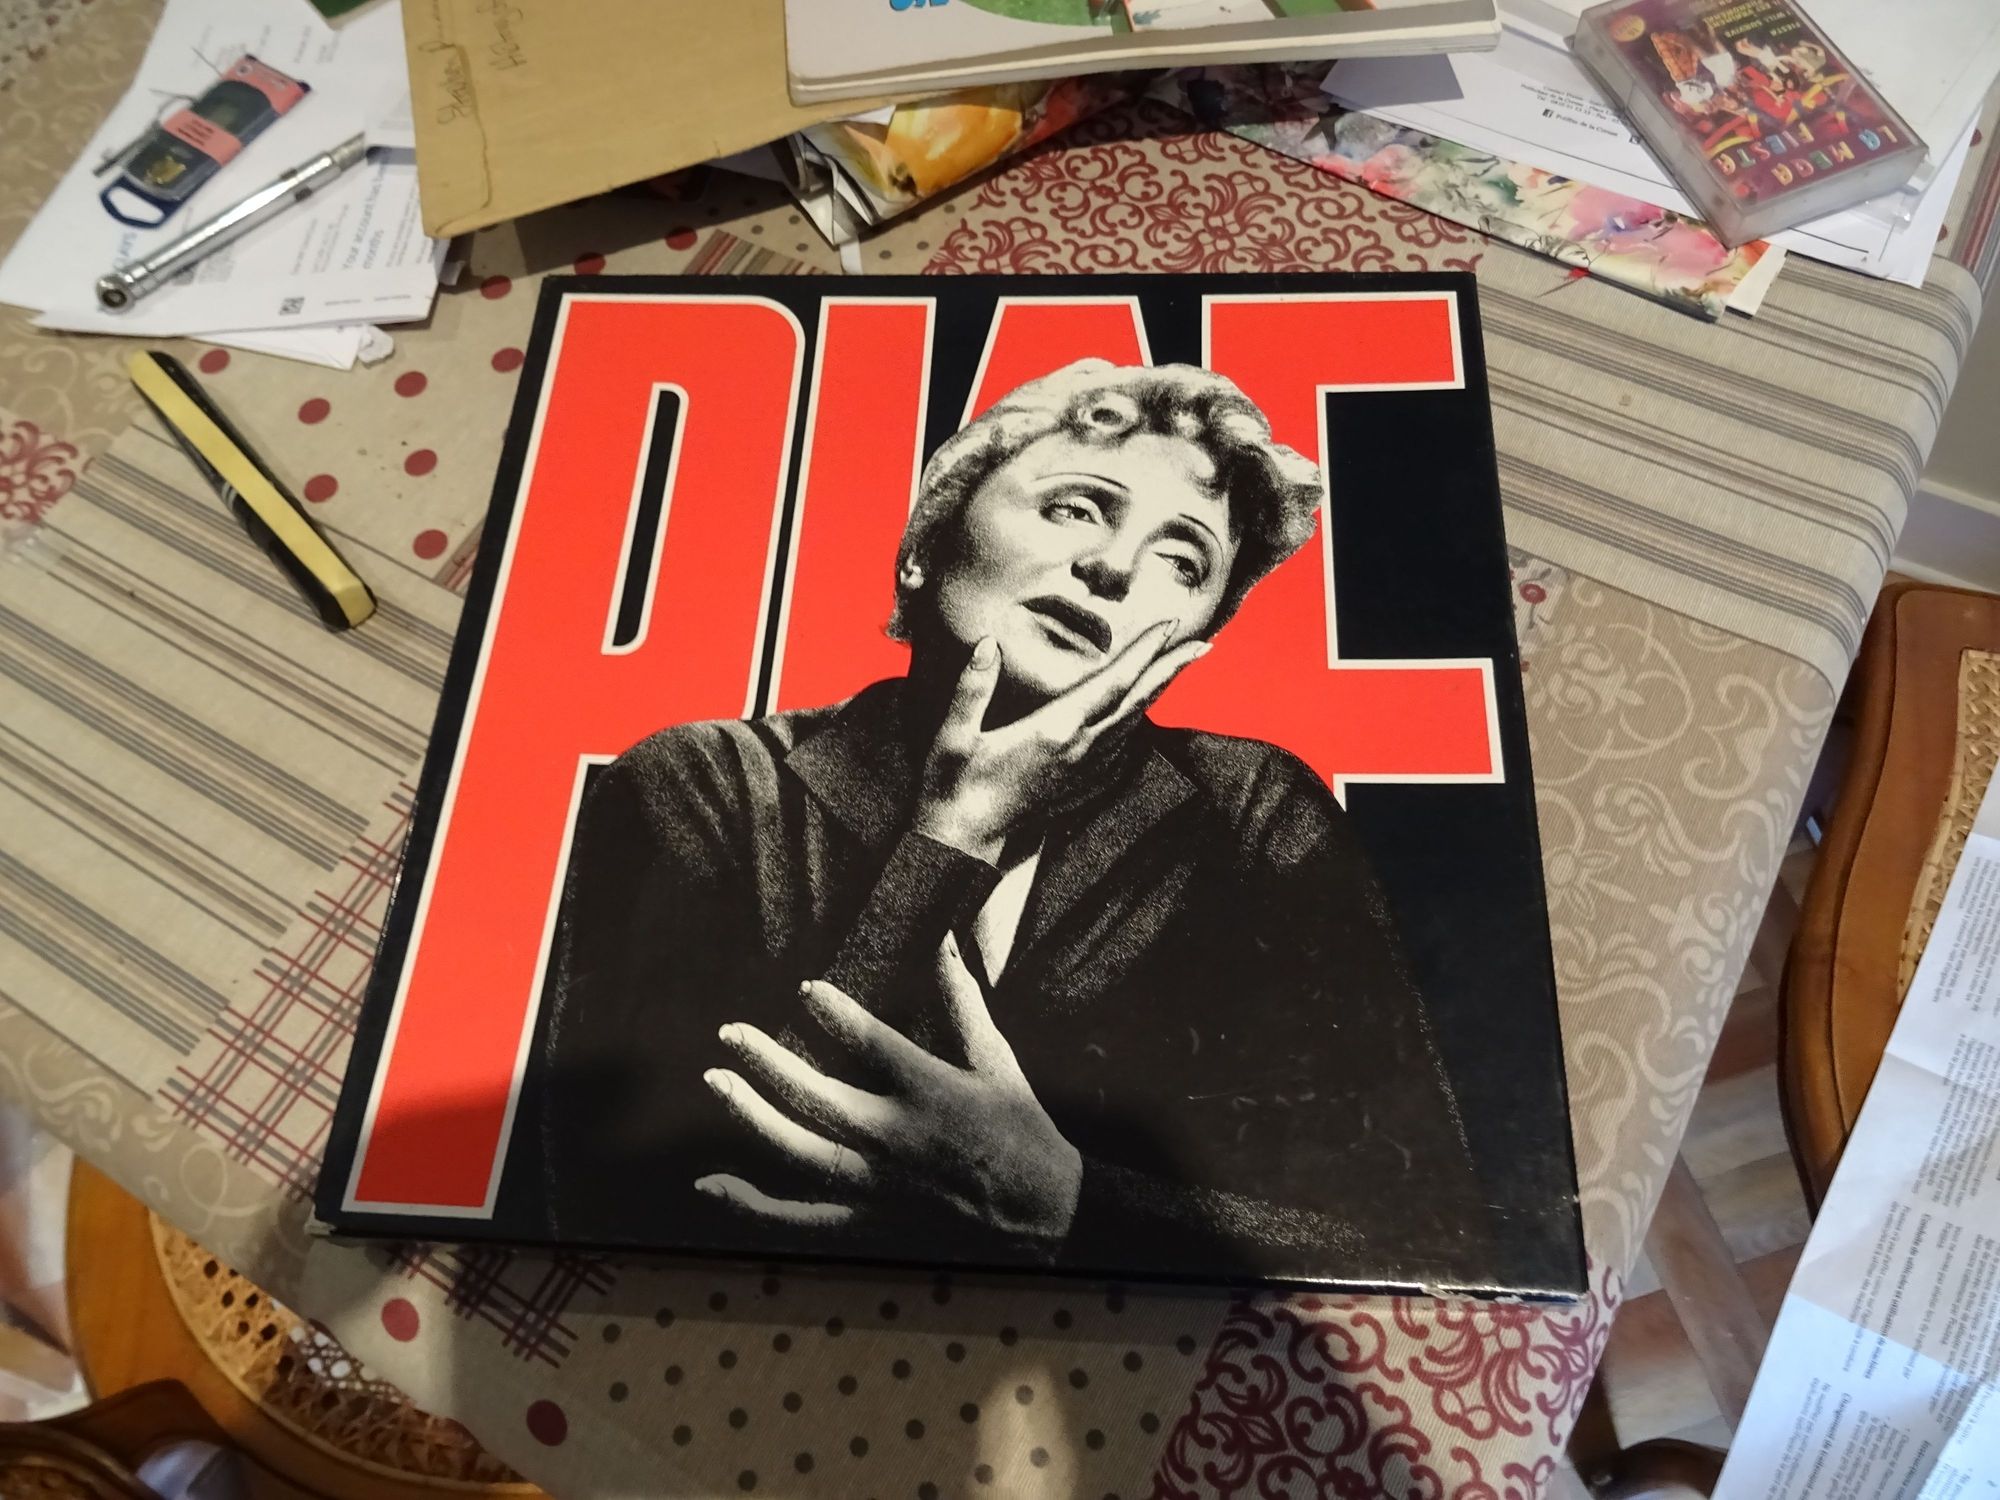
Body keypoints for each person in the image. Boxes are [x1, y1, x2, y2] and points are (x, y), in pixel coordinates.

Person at [523, 360, 1484, 1282]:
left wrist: (1072, 1205)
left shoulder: (1253, 812)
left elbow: (1432, 1238)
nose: (1112, 566)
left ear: (1194, 638)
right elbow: (631, 1211)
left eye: (1181, 560)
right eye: (1076, 507)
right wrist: (956, 832)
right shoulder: (704, 783)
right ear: (924, 548)